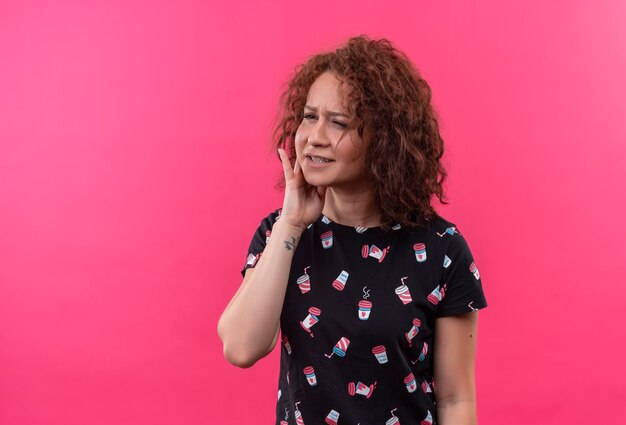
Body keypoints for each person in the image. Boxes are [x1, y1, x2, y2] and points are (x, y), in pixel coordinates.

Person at [217, 34, 488, 425]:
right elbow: (241, 347)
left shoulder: (442, 249)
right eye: (310, 117)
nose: (315, 137)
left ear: (385, 141)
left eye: (338, 123)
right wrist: (292, 223)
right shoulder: (282, 235)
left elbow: (456, 398)